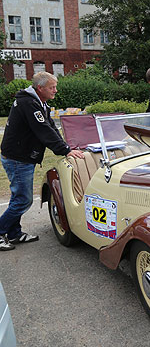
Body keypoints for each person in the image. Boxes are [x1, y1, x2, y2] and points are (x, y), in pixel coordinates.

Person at [0, 72, 84, 251]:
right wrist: (66, 151)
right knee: (23, 200)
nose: (55, 90)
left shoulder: (39, 102)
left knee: (18, 197)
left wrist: (67, 146)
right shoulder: (29, 103)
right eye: (52, 87)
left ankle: (14, 233)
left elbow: (51, 127)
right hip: (18, 158)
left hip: (21, 156)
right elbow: (43, 130)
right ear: (40, 88)